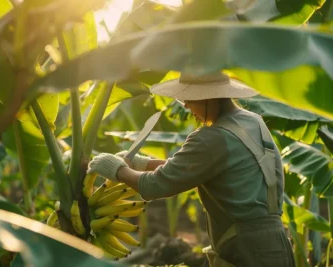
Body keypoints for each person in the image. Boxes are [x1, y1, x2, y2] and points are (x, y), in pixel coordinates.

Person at [87, 72, 296, 267]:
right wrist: (143, 163)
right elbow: (201, 169)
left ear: (209, 98)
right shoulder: (253, 122)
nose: (185, 105)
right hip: (277, 242)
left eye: (189, 97)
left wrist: (118, 170)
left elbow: (154, 186)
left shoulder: (211, 137)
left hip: (247, 249)